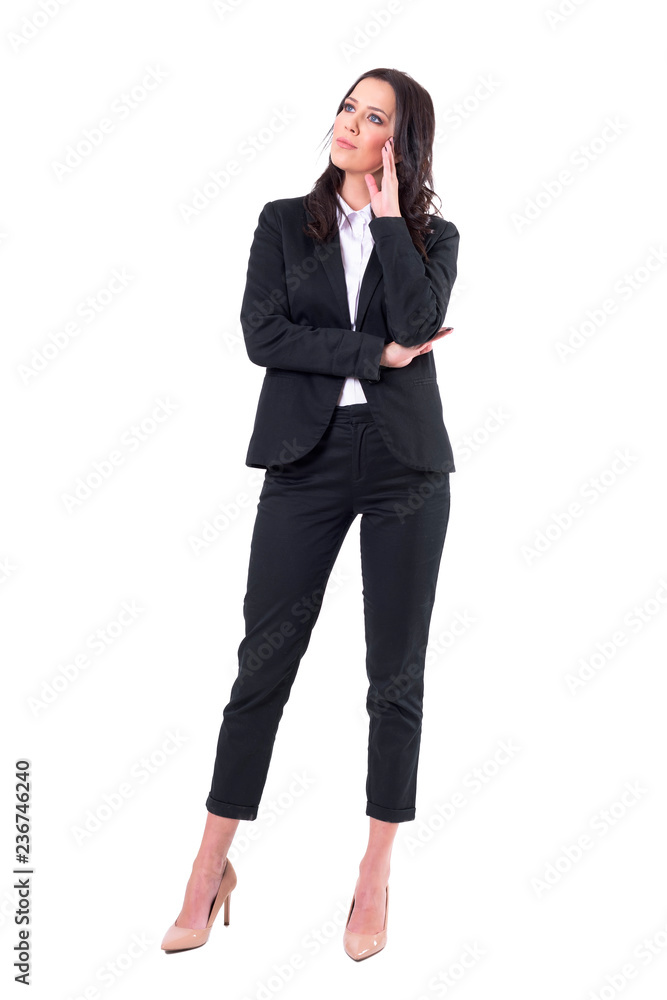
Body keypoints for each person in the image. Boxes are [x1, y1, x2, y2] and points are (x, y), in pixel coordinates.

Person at [161, 67, 460, 961]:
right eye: (347, 107)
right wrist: (376, 354)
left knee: (393, 674)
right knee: (264, 661)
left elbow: (422, 315)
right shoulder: (281, 222)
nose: (350, 124)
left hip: (406, 464)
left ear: (397, 146)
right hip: (305, 458)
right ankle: (208, 866)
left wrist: (394, 216)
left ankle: (374, 873)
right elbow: (265, 335)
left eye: (374, 119)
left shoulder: (434, 236)